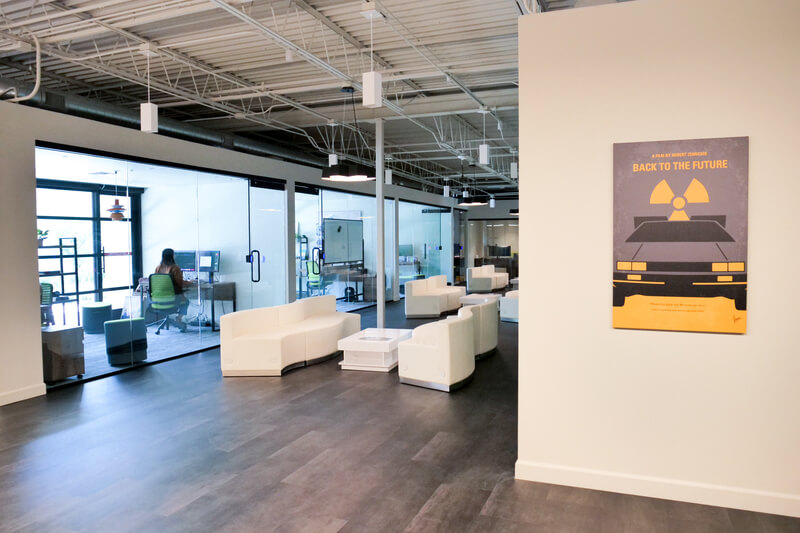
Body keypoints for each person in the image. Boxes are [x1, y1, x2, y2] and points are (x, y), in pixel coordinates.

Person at [154, 248, 191, 323]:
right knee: (186, 302)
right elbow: (179, 283)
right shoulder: (175, 268)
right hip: (171, 299)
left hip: (158, 300)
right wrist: (190, 283)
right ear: (172, 256)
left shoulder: (158, 267)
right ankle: (179, 318)